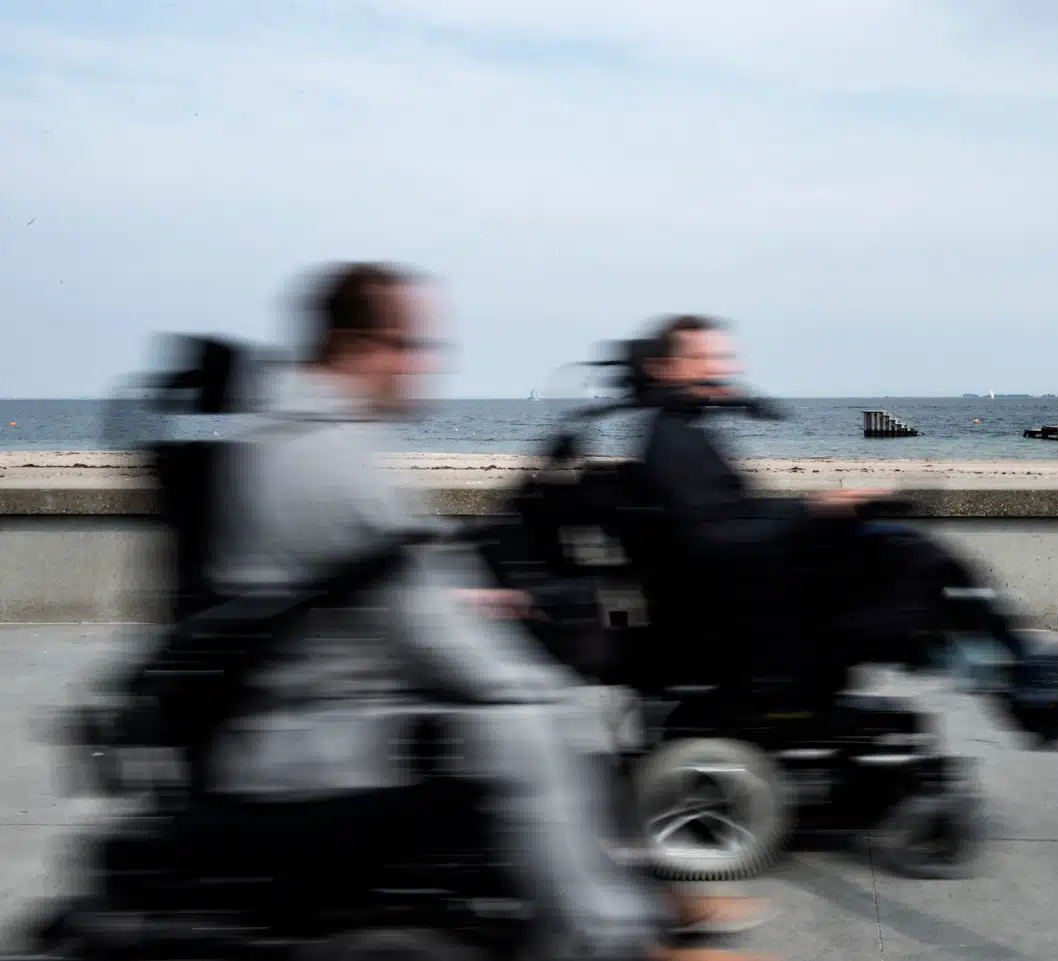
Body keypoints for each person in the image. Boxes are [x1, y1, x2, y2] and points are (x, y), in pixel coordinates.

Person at [203, 267, 769, 961]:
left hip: (319, 693)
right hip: (321, 723)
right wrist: (521, 667)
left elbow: (378, 584)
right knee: (534, 716)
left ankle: (632, 900)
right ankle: (609, 939)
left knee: (542, 703)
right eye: (411, 345)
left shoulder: (292, 435)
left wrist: (466, 604)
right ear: (356, 346)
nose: (424, 365)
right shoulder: (329, 454)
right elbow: (437, 639)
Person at [634, 314, 1058, 723]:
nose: (718, 369)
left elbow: (732, 518)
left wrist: (823, 506)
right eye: (700, 359)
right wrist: (818, 510)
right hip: (747, 604)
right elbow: (717, 535)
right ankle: (1025, 676)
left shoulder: (679, 436)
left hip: (745, 583)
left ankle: (1022, 669)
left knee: (908, 552)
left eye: (720, 358)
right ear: (661, 368)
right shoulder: (675, 442)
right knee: (914, 558)